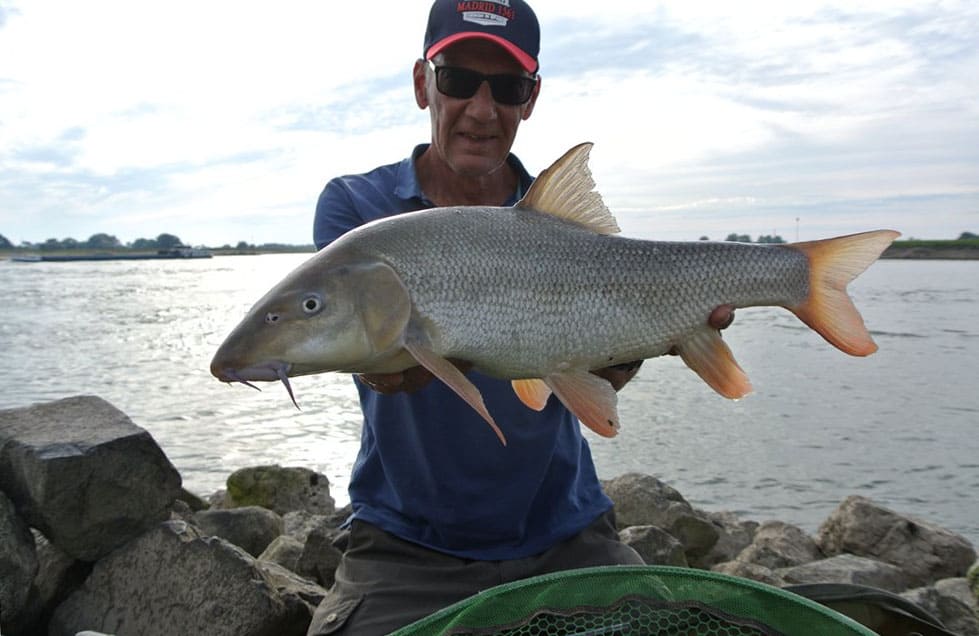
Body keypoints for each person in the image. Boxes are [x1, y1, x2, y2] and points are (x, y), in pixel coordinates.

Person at [307, 2, 733, 634]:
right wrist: (381, 371)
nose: (482, 110)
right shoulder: (359, 209)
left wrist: (622, 360)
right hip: (405, 544)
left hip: (567, 530)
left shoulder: (560, 227)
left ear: (530, 98)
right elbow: (359, 348)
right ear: (423, 82)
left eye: (506, 87)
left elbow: (598, 379)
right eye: (457, 80)